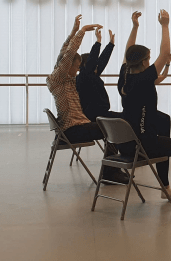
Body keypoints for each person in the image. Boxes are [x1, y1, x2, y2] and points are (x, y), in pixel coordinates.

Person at [117, 10, 171, 204]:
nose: (151, 61)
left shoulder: (125, 76)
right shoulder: (143, 79)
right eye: (149, 58)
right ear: (144, 62)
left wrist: (135, 27)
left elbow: (129, 50)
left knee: (163, 119)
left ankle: (164, 187)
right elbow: (165, 53)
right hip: (141, 144)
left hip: (125, 143)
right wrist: (165, 25)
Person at [47, 15, 127, 184]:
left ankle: (112, 170)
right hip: (72, 130)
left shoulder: (64, 80)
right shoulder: (58, 80)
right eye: (75, 67)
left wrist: (74, 30)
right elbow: (67, 55)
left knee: (111, 125)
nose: (77, 71)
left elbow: (64, 53)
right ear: (68, 66)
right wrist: (82, 31)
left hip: (77, 126)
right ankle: (110, 173)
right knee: (112, 129)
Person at [76, 27, 121, 122]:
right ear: (85, 65)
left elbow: (102, 61)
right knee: (128, 118)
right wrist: (98, 42)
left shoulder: (91, 76)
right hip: (96, 116)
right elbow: (93, 61)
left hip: (99, 113)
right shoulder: (85, 77)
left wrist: (110, 45)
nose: (97, 67)